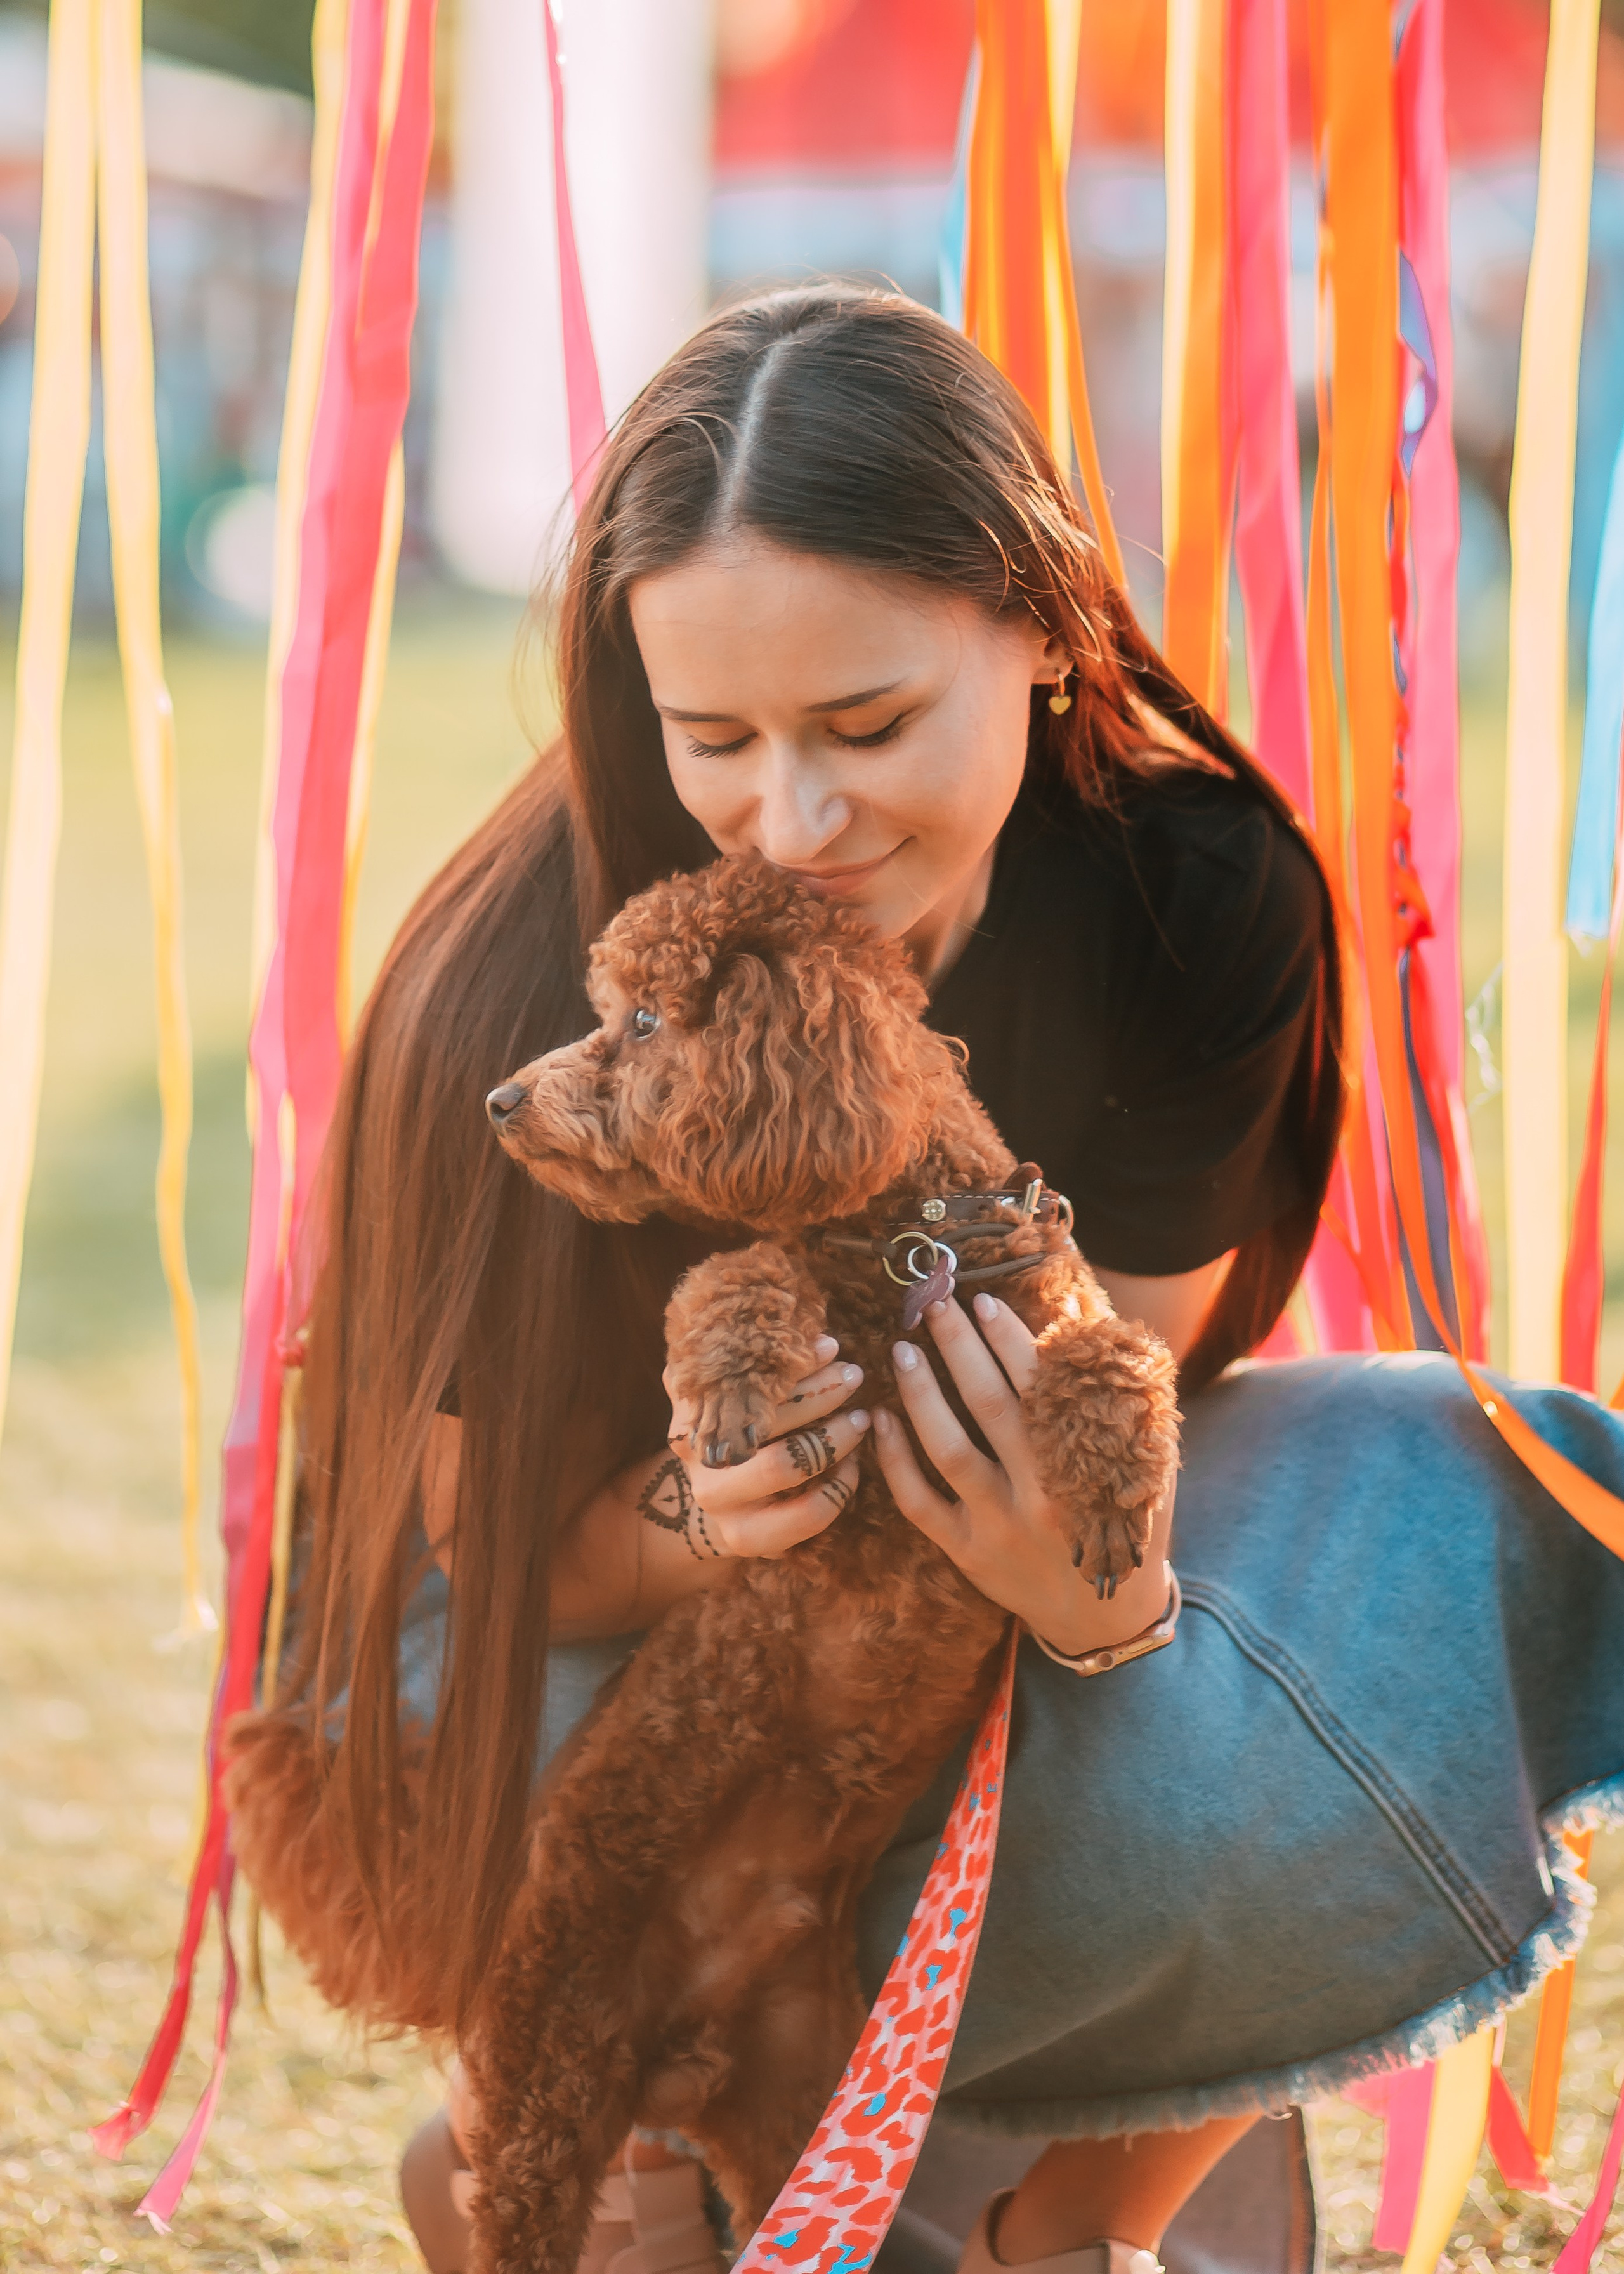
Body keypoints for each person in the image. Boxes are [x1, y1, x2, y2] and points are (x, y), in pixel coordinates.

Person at [244, 286, 1624, 2274]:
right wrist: (704, 1527)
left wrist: (1096, 1600)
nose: (793, 822)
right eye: (710, 738)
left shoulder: (1201, 892)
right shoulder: (534, 977)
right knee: (509, 1719)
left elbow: (1127, 1400)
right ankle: (610, 2116)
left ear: (1047, 638)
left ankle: (1061, 2185)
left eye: (867, 726)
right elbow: (494, 1559)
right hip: (547, 1690)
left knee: (1452, 1472)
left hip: (950, 1671)